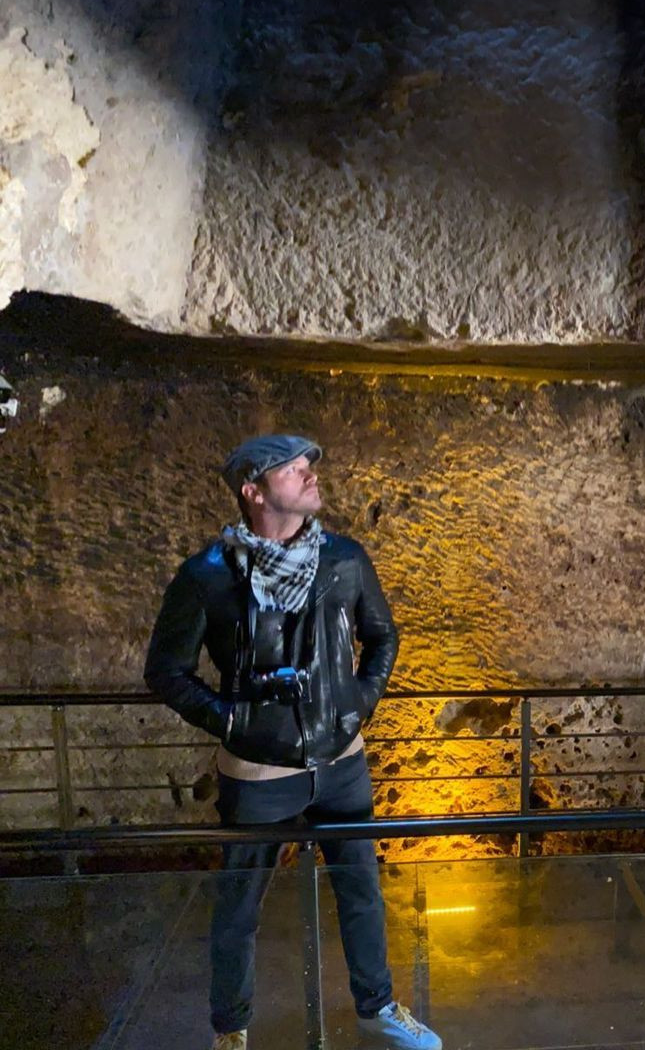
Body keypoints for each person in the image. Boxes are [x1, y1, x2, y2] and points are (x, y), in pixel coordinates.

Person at [145, 433, 440, 1050]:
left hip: (341, 763)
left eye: (309, 465)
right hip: (257, 772)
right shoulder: (208, 576)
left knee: (360, 891)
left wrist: (356, 707)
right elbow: (166, 671)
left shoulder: (343, 559)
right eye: (292, 468)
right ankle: (231, 1029)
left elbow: (383, 638)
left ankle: (377, 1008)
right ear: (253, 491)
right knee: (239, 908)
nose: (310, 474)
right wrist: (232, 722)